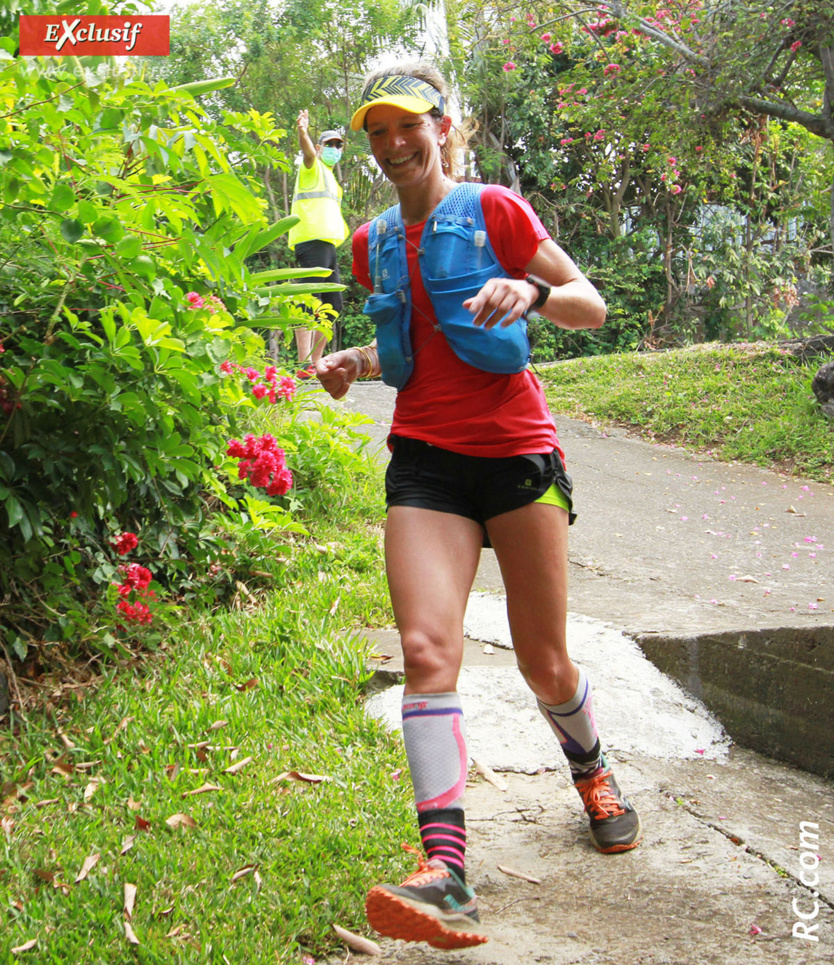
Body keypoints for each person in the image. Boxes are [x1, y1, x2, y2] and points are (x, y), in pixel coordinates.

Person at [317, 63, 642, 950]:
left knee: (545, 661)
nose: (392, 146)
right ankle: (445, 871)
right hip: (425, 464)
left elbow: (592, 304)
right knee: (427, 649)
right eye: (376, 133)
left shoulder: (495, 210)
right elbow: (412, 348)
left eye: (407, 127)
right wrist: (355, 361)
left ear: (444, 127)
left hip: (517, 459)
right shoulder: (370, 241)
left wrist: (531, 291)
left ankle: (592, 768)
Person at [286, 110, 348, 378]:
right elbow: (308, 154)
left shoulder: (332, 179)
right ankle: (303, 365)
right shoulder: (312, 168)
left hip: (327, 244)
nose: (334, 149)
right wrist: (303, 131)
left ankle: (315, 361)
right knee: (310, 300)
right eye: (330, 144)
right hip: (310, 239)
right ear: (321, 147)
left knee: (333, 306)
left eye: (338, 145)